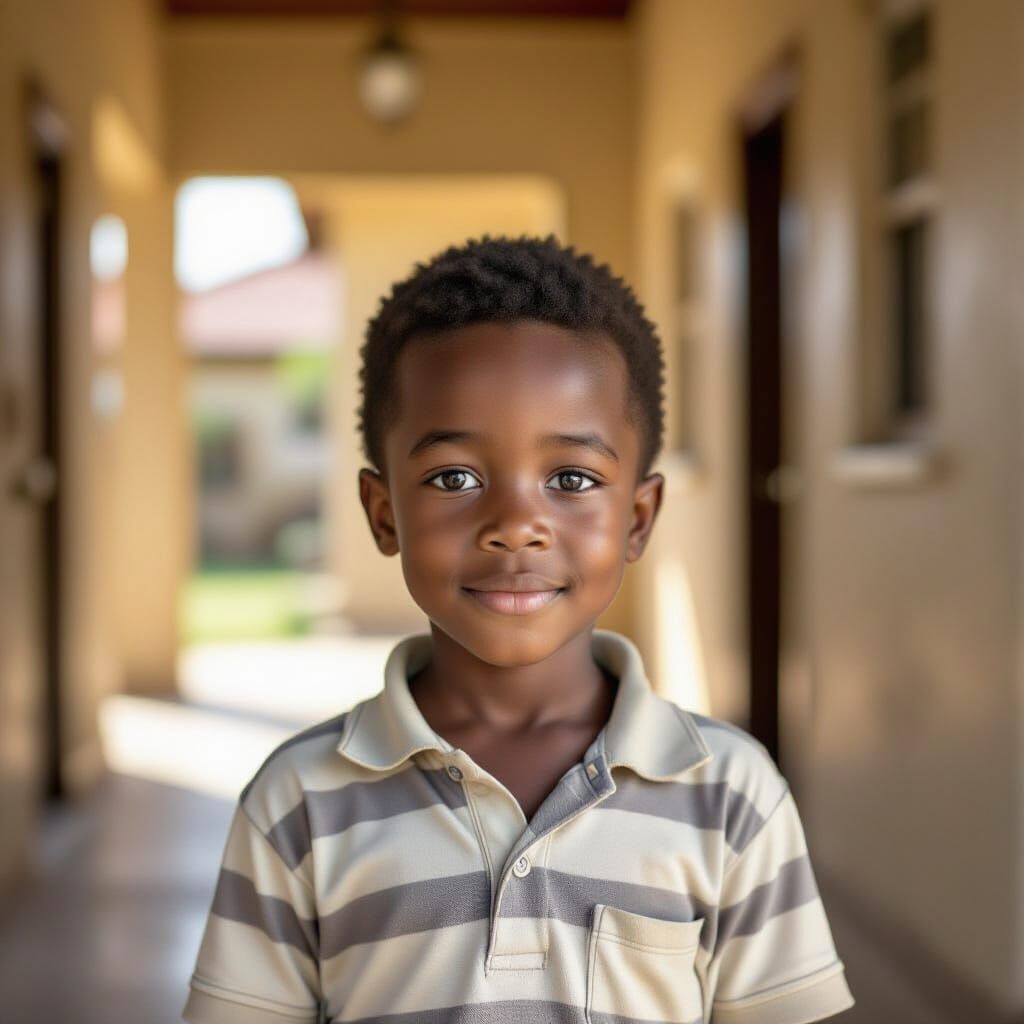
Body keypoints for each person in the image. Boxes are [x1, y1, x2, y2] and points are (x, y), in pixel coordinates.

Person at [182, 235, 854, 1024]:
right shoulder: (300, 802)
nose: (514, 526)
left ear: (638, 518)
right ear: (383, 511)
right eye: (454, 478)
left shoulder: (730, 796)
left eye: (571, 479)